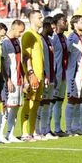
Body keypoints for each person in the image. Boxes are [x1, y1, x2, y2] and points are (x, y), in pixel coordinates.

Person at [0, 20, 25, 143]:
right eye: (20, 31)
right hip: (9, 80)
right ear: (14, 29)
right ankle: (0, 134)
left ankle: (10, 134)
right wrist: (7, 79)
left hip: (18, 79)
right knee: (6, 107)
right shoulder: (5, 43)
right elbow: (2, 63)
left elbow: (20, 62)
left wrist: (23, 77)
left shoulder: (17, 42)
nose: (21, 34)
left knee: (15, 108)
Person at [20, 11, 45, 142]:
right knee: (28, 103)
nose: (42, 19)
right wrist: (30, 74)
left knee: (35, 104)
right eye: (39, 17)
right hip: (32, 76)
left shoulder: (38, 36)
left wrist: (43, 75)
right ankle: (24, 133)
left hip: (40, 75)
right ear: (32, 19)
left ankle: (33, 131)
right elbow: (25, 56)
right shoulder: (28, 35)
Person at [65, 15, 82, 136]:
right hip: (74, 74)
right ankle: (68, 128)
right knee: (72, 100)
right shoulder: (72, 38)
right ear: (75, 24)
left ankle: (76, 127)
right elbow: (67, 54)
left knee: (79, 100)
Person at [37, 16, 57, 139]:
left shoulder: (49, 40)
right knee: (40, 103)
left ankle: (45, 130)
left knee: (47, 104)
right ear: (46, 26)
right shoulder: (39, 39)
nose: (54, 31)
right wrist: (43, 74)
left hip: (51, 76)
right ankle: (37, 130)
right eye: (52, 28)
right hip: (43, 76)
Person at [50, 14, 69, 137]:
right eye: (64, 21)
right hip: (55, 74)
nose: (66, 22)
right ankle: (45, 128)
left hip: (63, 74)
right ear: (56, 23)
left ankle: (57, 128)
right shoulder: (54, 38)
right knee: (51, 102)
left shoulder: (64, 38)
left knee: (59, 101)